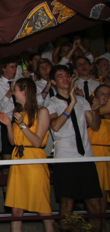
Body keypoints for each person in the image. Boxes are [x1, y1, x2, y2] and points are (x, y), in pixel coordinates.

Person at [47, 65, 102, 231]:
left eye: (67, 75)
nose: (65, 78)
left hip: (86, 156)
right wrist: (71, 104)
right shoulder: (51, 103)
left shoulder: (82, 100)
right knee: (67, 203)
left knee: (94, 203)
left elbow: (95, 126)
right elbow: (55, 126)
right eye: (60, 76)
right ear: (53, 81)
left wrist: (97, 110)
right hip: (66, 157)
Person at [0, 78, 53, 232]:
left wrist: (21, 125)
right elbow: (14, 142)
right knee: (16, 210)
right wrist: (8, 125)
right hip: (18, 161)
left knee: (43, 207)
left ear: (24, 91)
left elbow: (37, 142)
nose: (13, 93)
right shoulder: (19, 112)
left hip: (34, 160)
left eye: (15, 90)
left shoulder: (42, 111)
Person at [90, 84, 110, 223]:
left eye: (108, 93)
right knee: (100, 196)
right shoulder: (92, 113)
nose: (106, 96)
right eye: (102, 93)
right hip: (98, 156)